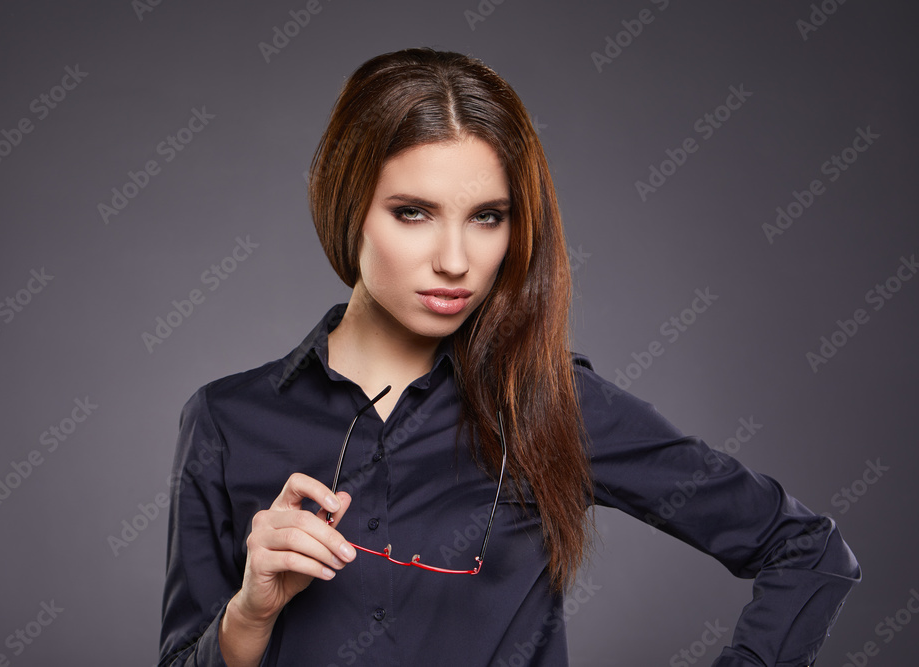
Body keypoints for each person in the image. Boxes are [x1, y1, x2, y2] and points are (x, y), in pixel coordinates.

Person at [159, 48, 860, 667]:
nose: (455, 260)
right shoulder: (227, 421)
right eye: (413, 212)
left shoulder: (550, 403)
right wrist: (248, 616)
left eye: (487, 217)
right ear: (348, 209)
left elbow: (808, 551)